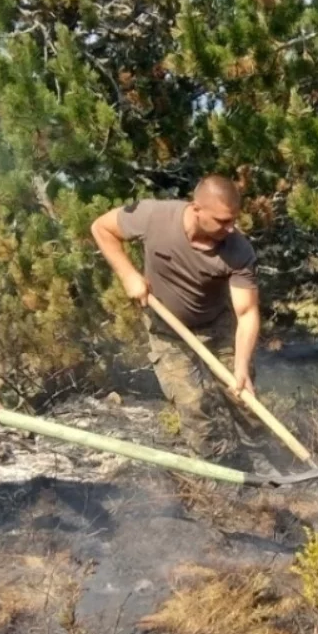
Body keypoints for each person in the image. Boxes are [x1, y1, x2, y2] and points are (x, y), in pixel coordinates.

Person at [90, 176, 261, 461]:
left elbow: (246, 313)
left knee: (244, 400)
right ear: (196, 209)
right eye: (221, 221)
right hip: (167, 331)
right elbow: (101, 227)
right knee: (194, 404)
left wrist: (241, 366)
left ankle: (265, 463)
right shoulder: (155, 216)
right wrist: (128, 274)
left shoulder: (238, 250)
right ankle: (218, 475)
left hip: (217, 328)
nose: (230, 228)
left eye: (233, 220)